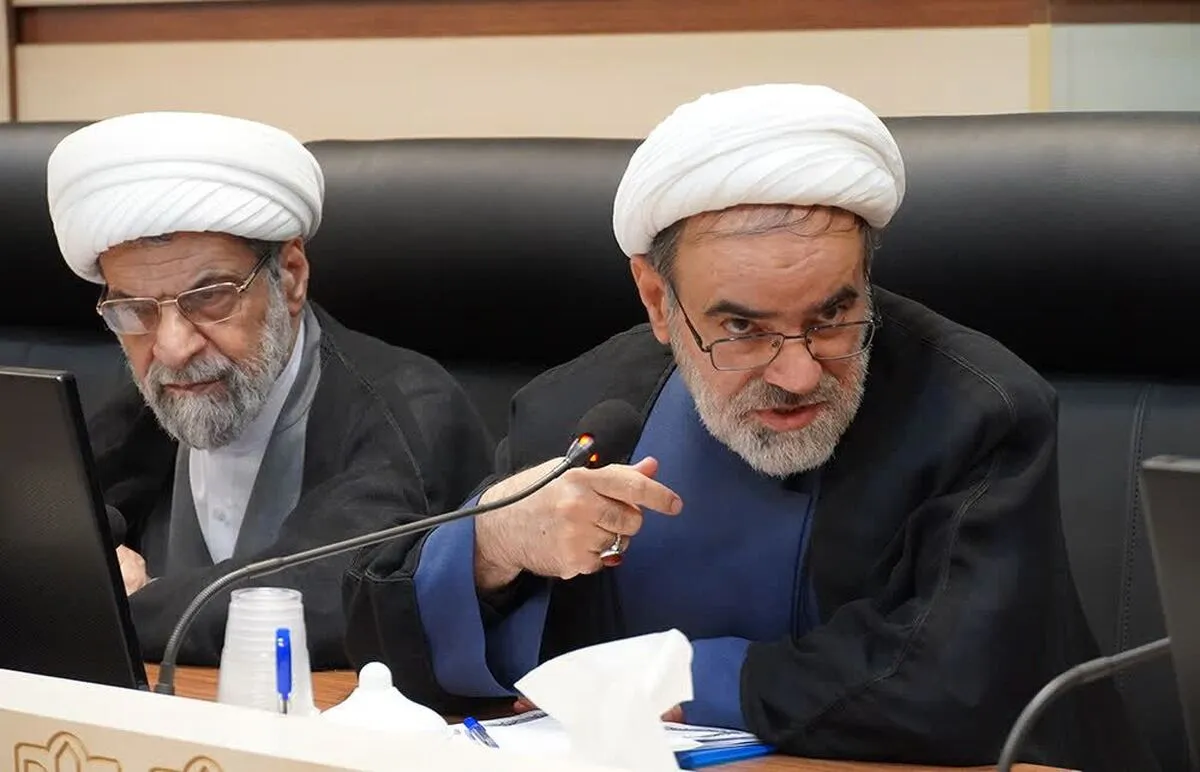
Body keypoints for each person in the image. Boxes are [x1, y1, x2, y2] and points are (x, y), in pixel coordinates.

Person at [341, 85, 1155, 769]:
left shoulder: (975, 410)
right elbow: (386, 648)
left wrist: (678, 679)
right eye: (743, 329)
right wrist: (491, 546)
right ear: (658, 302)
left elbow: (955, 685)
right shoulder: (577, 407)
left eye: (833, 317)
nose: (798, 372)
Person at [47, 111, 493, 668]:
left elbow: (344, 593)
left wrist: (115, 605)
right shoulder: (148, 396)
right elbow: (43, 534)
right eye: (134, 309)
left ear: (291, 275)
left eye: (209, 296)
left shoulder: (412, 410)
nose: (173, 347)